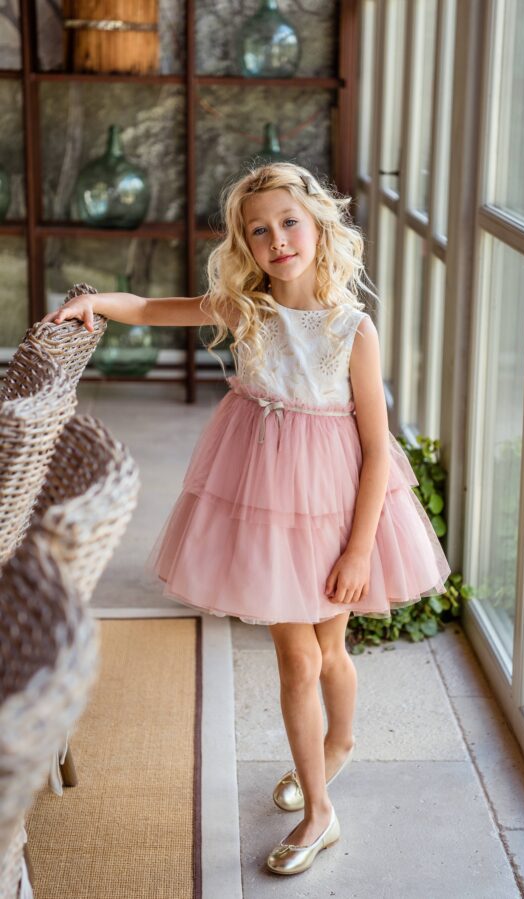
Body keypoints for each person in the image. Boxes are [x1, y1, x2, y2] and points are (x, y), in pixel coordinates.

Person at [42, 162, 451, 876]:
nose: (277, 239)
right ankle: (320, 812)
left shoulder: (353, 329)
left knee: (331, 652)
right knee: (297, 657)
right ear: (246, 245)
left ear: (319, 227)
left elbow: (379, 450)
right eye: (259, 230)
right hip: (266, 502)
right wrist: (96, 303)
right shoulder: (246, 309)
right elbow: (152, 308)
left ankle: (339, 744)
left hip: (335, 502)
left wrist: (360, 551)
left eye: (289, 222)